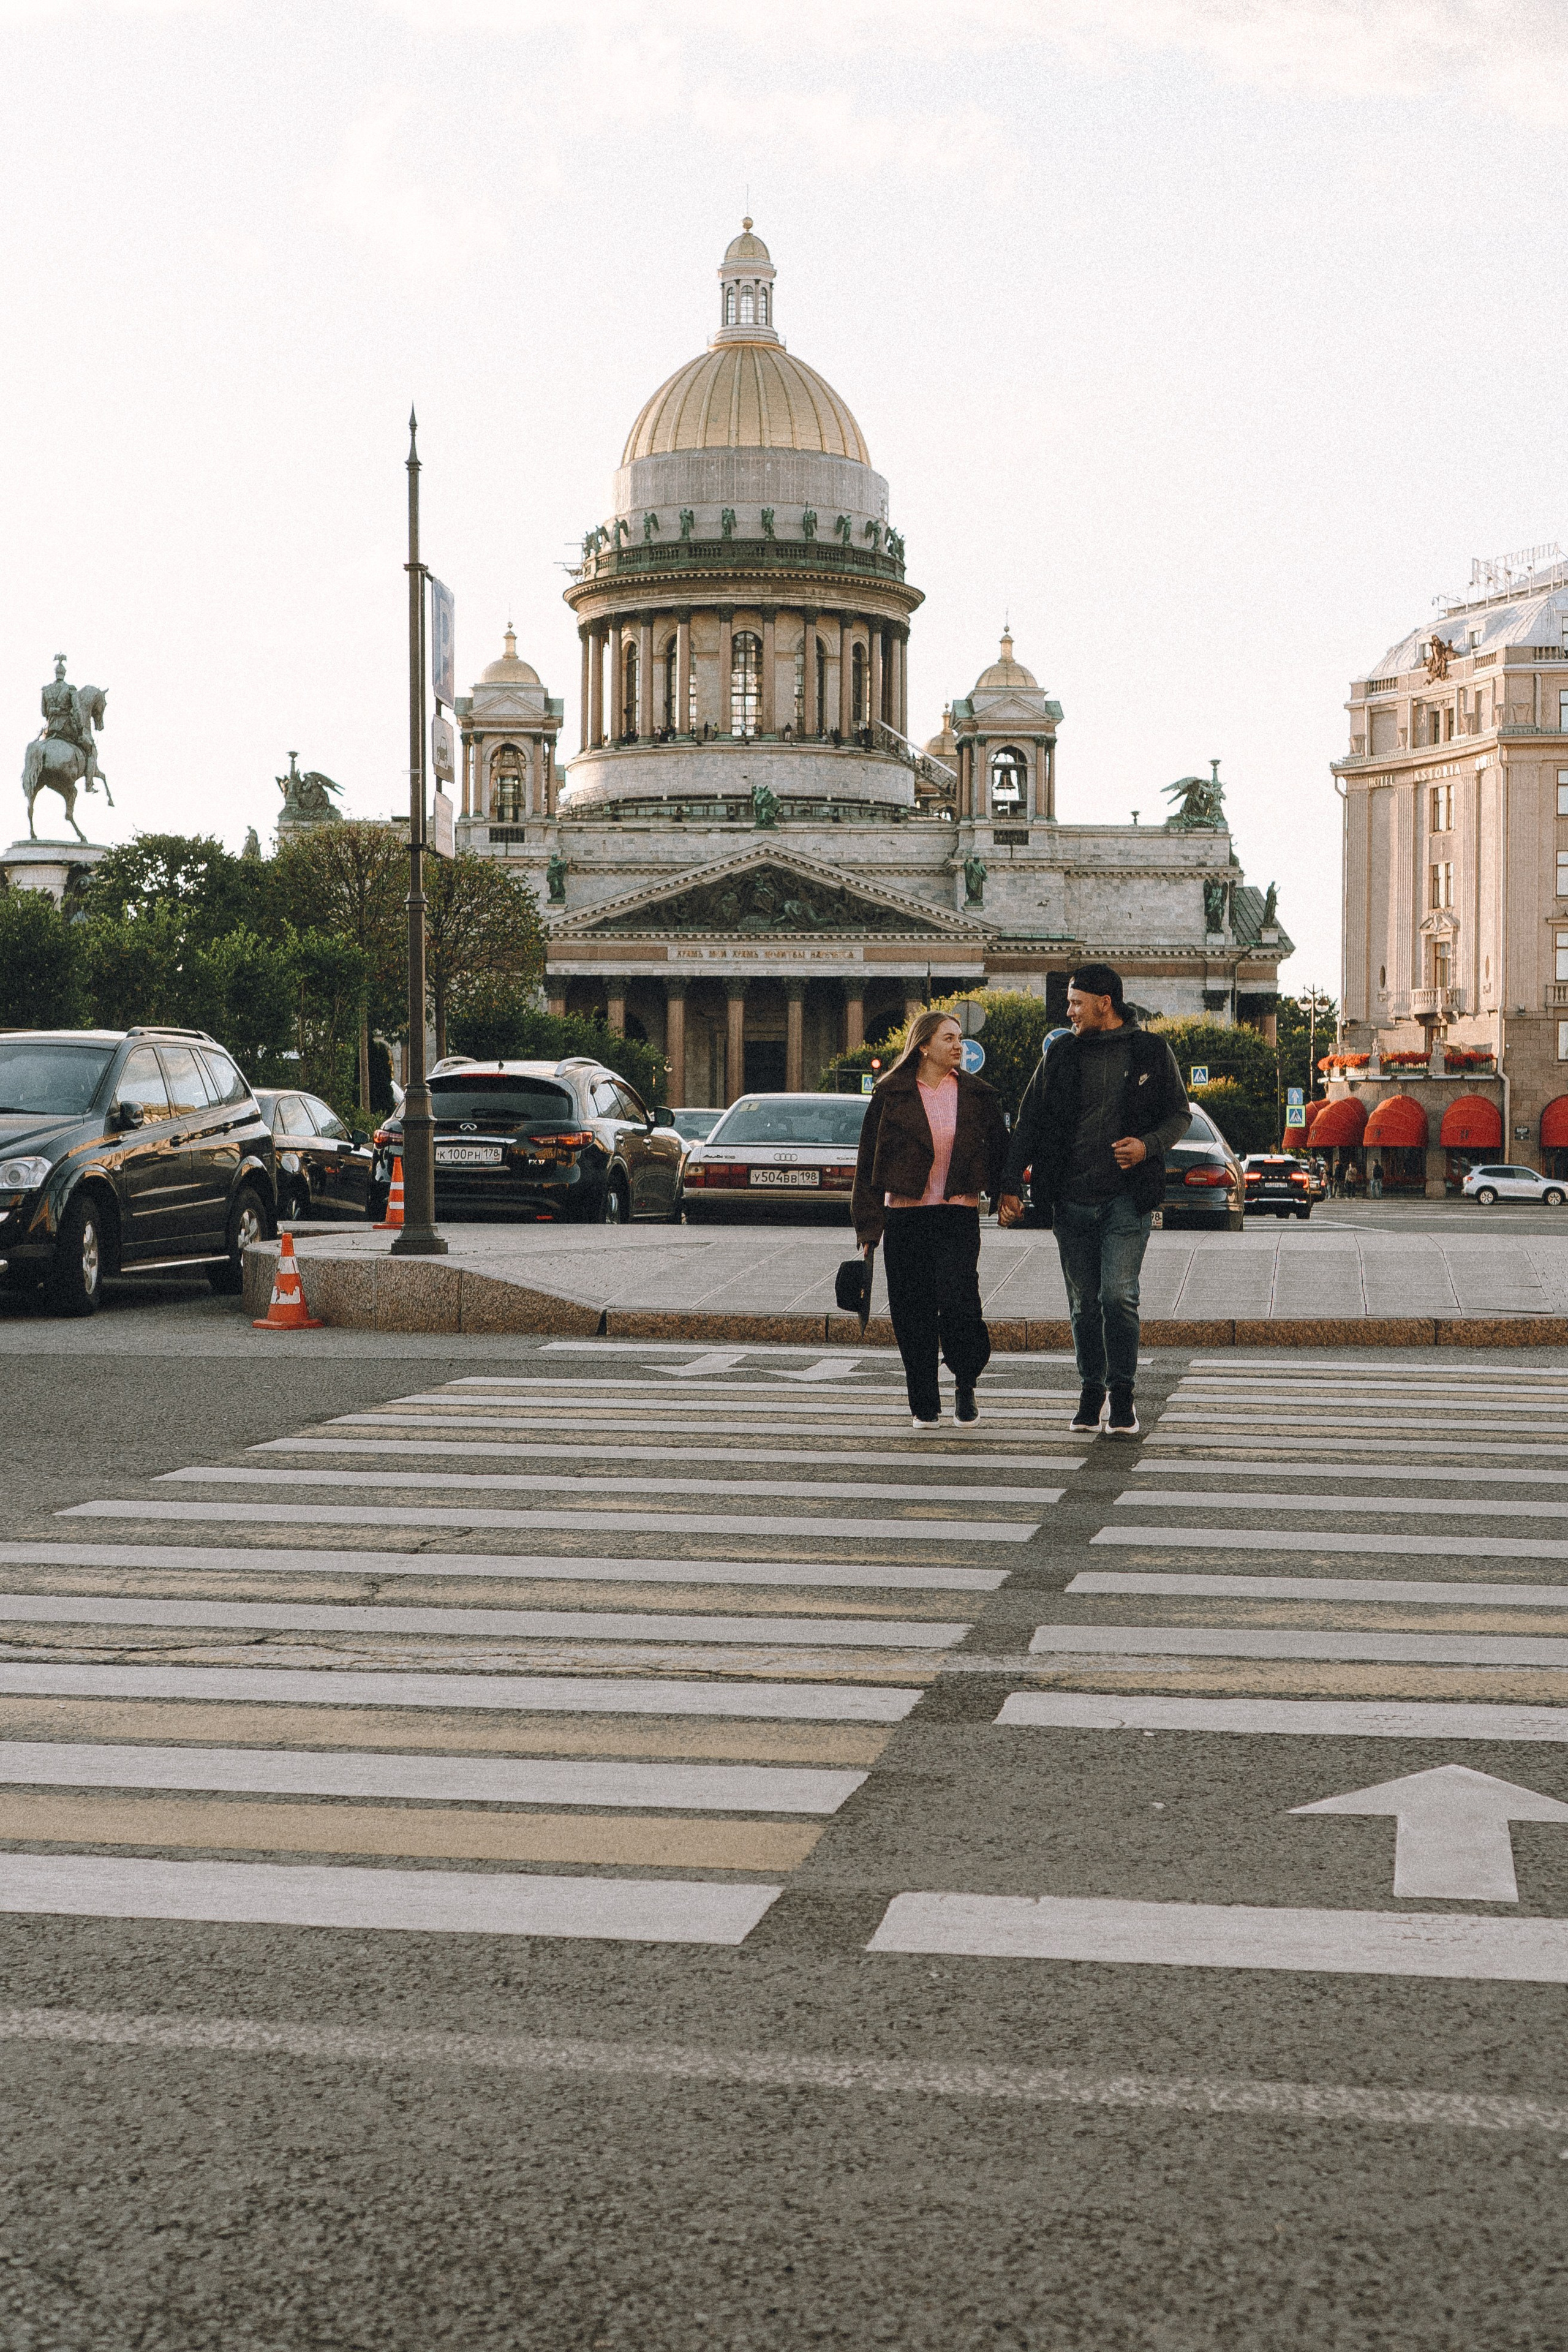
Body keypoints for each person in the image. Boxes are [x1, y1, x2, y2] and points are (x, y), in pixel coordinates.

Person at [997, 963, 1189, 1437]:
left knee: (1117, 1295)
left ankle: (1122, 1396)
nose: (1069, 1011)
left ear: (1105, 1002)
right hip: (1070, 1198)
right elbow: (1029, 1122)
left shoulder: (1150, 1050)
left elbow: (1179, 1114)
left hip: (1127, 1198)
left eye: (1076, 1002)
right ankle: (1091, 1391)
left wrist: (1148, 1145)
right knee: (1084, 1302)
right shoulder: (1061, 1053)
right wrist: (1008, 1186)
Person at [853, 1010, 1009, 1430]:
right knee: (912, 1311)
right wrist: (869, 1230)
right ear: (924, 1046)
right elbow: (869, 1161)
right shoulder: (891, 1094)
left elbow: (1000, 1150)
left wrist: (1006, 1194)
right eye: (948, 1039)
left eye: (959, 1038)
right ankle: (924, 1401)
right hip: (906, 1219)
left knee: (961, 1306)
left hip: (957, 1215)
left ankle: (965, 1382)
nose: (958, 1046)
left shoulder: (976, 1094)